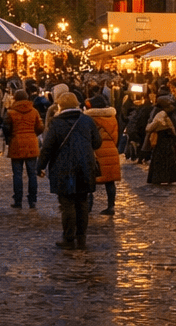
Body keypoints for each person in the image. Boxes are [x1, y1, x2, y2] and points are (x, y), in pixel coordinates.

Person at [37, 92, 103, 250]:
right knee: (82, 202)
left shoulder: (56, 123)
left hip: (64, 167)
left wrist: (40, 166)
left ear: (60, 106)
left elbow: (47, 148)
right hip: (85, 166)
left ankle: (69, 237)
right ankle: (81, 236)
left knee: (67, 203)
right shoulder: (87, 120)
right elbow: (97, 142)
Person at [4, 90, 43, 209]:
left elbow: (6, 128)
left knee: (17, 174)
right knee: (32, 174)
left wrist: (9, 138)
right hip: (31, 142)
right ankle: (32, 200)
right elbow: (40, 127)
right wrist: (33, 134)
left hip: (17, 143)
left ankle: (18, 200)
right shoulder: (34, 111)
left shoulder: (10, 112)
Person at [87, 94, 121, 216]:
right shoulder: (112, 117)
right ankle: (111, 206)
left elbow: (90, 136)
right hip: (111, 149)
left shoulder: (91, 118)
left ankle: (88, 206)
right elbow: (117, 135)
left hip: (96, 150)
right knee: (110, 180)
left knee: (90, 179)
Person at [145, 96, 176, 186]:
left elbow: (151, 126)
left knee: (159, 160)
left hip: (161, 139)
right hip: (169, 139)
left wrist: (148, 126)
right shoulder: (171, 111)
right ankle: (170, 177)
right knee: (169, 159)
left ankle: (158, 178)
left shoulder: (160, 114)